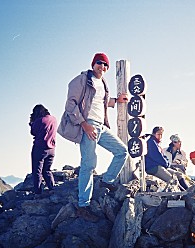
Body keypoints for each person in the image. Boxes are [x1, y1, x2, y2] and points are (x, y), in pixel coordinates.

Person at [61, 52, 128, 222]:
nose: (102, 67)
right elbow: (70, 104)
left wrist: (117, 100)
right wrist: (84, 124)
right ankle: (83, 205)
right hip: (88, 125)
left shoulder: (103, 83)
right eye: (99, 63)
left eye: (105, 65)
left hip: (101, 126)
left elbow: (101, 103)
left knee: (122, 151)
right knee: (88, 165)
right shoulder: (82, 80)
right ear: (93, 64)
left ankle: (107, 180)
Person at [29, 104, 57, 197]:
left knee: (37, 171)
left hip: (39, 148)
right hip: (52, 149)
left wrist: (31, 123)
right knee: (47, 170)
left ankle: (37, 192)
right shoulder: (54, 119)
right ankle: (52, 188)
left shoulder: (39, 121)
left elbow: (33, 132)